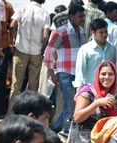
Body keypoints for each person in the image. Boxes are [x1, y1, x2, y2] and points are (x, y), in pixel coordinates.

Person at [44, 4, 86, 135]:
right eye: (80, 16)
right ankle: (68, 132)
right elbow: (49, 52)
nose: (83, 19)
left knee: (70, 103)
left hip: (78, 73)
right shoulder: (61, 31)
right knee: (69, 103)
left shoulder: (82, 32)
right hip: (65, 72)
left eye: (83, 16)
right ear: (72, 16)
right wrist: (52, 73)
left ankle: (56, 129)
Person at [73, 61, 117, 143]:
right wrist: (97, 103)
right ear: (97, 75)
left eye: (110, 74)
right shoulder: (88, 91)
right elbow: (77, 117)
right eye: (103, 74)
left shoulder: (116, 93)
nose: (106, 77)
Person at [8, 0, 50, 114]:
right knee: (33, 86)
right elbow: (46, 36)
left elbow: (12, 26)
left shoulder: (22, 9)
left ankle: (11, 114)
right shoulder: (44, 13)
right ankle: (30, 114)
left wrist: (11, 43)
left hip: (20, 49)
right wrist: (42, 49)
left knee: (16, 84)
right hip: (36, 52)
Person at [74, 18, 116, 89]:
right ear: (93, 33)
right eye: (101, 32)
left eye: (106, 32)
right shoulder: (85, 49)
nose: (104, 35)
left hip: (108, 87)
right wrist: (78, 89)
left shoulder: (111, 48)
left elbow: (113, 67)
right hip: (91, 88)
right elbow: (80, 71)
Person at [0, 0, 14, 119]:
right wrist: (11, 43)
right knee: (1, 80)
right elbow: (10, 26)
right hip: (3, 46)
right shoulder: (7, 6)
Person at [104, 2, 117, 69]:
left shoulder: (100, 24)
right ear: (108, 13)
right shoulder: (115, 28)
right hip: (111, 63)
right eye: (116, 12)